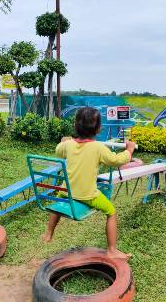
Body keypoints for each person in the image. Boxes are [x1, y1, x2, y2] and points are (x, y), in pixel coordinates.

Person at [42, 107, 136, 260]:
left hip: (66, 192)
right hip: (87, 195)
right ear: (98, 128)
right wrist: (129, 150)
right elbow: (116, 160)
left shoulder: (68, 145)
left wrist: (64, 140)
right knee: (111, 212)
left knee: (58, 202)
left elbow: (58, 150)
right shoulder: (98, 147)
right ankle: (112, 250)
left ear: (75, 126)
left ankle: (49, 233)